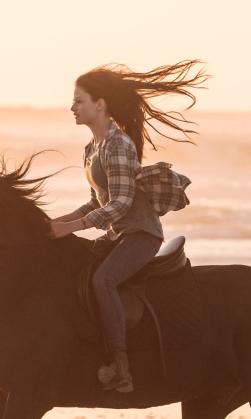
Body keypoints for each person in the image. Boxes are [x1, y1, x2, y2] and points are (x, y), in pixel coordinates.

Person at [49, 60, 207, 393]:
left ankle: (122, 366)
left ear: (100, 104)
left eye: (79, 100)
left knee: (104, 280)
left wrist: (74, 227)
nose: (72, 107)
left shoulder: (118, 144)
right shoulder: (92, 148)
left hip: (140, 234)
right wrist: (55, 223)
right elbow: (96, 202)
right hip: (116, 234)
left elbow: (120, 202)